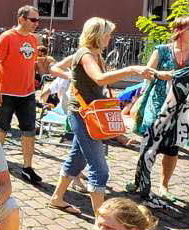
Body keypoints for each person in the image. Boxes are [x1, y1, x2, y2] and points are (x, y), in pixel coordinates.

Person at [49, 18, 161, 219]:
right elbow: (99, 79)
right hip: (83, 114)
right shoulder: (85, 54)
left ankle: (57, 198)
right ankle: (101, 220)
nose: (110, 38)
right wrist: (131, 69)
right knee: (100, 169)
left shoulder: (94, 53)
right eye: (107, 34)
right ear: (97, 35)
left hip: (89, 113)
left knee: (77, 157)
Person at [128, 15, 189, 203]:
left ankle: (164, 185)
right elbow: (146, 74)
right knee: (149, 142)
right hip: (157, 103)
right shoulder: (162, 51)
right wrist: (160, 74)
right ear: (178, 31)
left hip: (182, 108)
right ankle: (140, 180)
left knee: (172, 147)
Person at [0, 4, 41, 184]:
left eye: (37, 20)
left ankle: (27, 167)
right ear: (21, 19)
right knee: (2, 128)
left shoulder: (34, 40)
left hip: (27, 94)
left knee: (29, 131)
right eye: (33, 20)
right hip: (7, 93)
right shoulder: (6, 37)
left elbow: (30, 63)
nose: (36, 23)